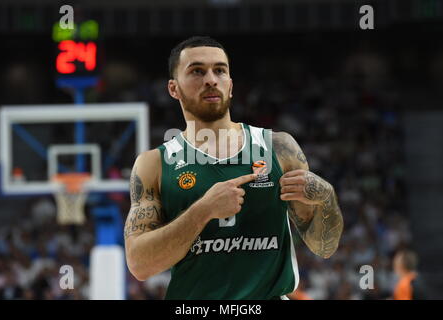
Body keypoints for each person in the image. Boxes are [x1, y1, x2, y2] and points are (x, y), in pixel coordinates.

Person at [124, 36, 344, 299]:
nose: (210, 79)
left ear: (230, 85)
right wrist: (203, 210)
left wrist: (326, 198)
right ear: (174, 88)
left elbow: (324, 246)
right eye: (197, 71)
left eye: (220, 70)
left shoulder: (279, 147)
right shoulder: (154, 164)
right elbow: (140, 264)